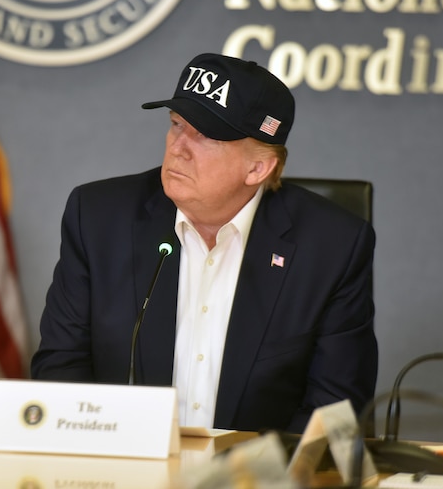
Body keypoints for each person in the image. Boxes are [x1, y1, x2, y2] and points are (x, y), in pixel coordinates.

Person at [30, 53, 377, 434]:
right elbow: (61, 368)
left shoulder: (331, 247)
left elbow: (334, 406)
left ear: (258, 168)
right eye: (177, 124)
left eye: (206, 135)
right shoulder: (98, 218)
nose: (178, 147)